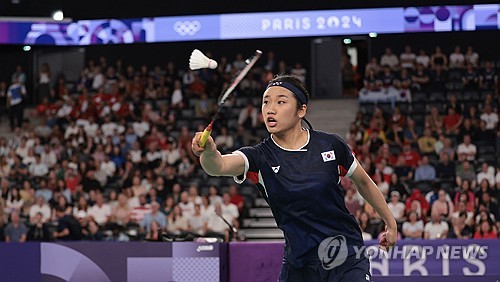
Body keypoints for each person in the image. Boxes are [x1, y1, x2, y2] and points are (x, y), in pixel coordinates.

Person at [192, 74, 397, 281]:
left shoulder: (331, 145)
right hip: (299, 265)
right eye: (266, 102)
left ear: (301, 110)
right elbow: (217, 166)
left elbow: (363, 181)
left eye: (281, 101)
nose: (270, 109)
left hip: (346, 258)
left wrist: (390, 222)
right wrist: (208, 152)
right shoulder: (259, 157)